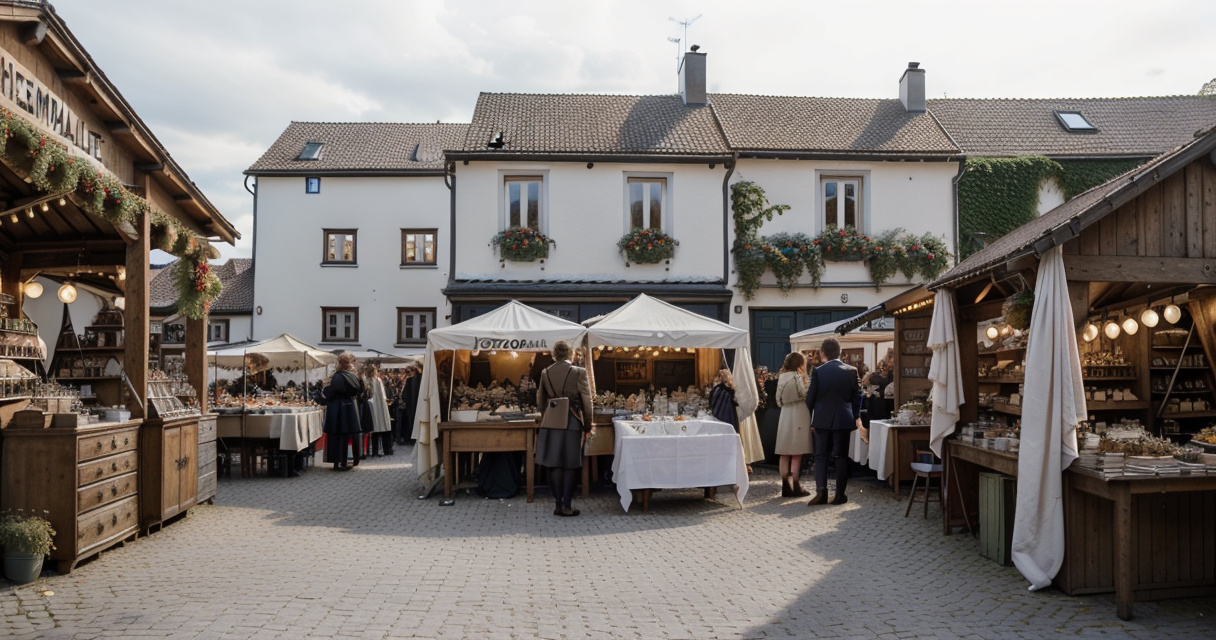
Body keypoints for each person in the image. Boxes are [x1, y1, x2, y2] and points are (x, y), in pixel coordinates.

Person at [536, 340, 593, 517]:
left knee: (554, 464)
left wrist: (547, 413)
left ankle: (557, 504)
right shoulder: (579, 372)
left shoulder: (545, 373)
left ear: (554, 354)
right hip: (572, 421)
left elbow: (540, 399)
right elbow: (587, 402)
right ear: (570, 353)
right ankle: (566, 505)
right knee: (570, 464)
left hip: (551, 420)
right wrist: (587, 424)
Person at [805, 337, 865, 506]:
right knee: (841, 457)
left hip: (822, 418)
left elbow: (810, 398)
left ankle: (821, 492)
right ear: (840, 352)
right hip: (843, 418)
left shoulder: (818, 371)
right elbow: (858, 396)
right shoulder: (852, 371)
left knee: (821, 456)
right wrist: (855, 415)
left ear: (822, 353)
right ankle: (839, 495)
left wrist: (810, 418)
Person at [774, 352, 812, 497]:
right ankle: (796, 485)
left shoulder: (782, 377)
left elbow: (778, 400)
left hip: (785, 414)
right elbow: (804, 393)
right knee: (797, 452)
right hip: (799, 413)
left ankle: (785, 485)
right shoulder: (797, 377)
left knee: (784, 452)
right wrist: (806, 376)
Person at [321, 353, 365, 471]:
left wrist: (325, 390)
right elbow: (360, 391)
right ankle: (349, 460)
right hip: (350, 408)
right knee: (347, 435)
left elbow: (333, 391)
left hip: (338, 409)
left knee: (337, 436)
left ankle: (339, 462)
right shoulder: (353, 376)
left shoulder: (338, 376)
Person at [364, 364, 394, 456]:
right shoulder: (378, 380)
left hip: (371, 407)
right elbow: (383, 395)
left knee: (374, 431)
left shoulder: (366, 381)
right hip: (380, 407)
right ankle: (386, 450)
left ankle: (374, 452)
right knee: (384, 428)